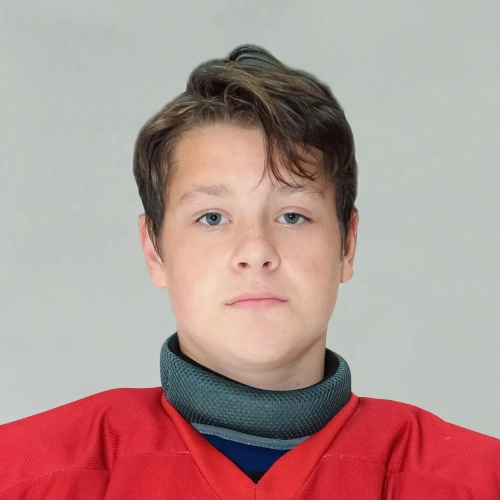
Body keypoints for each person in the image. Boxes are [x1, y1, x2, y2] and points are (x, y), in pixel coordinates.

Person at [0, 44, 499, 500]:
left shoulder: (478, 482)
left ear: (347, 245)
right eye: (212, 218)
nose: (256, 251)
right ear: (154, 250)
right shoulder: (22, 476)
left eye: (292, 216)